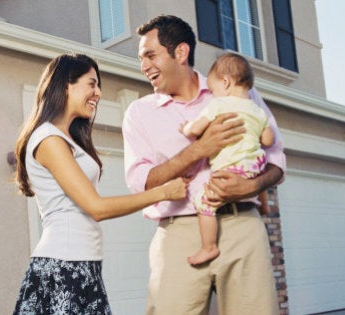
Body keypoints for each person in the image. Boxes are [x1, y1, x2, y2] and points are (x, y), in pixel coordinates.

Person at [122, 15, 286, 314]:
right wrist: (200, 149)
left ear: (181, 53)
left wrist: (251, 186)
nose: (144, 66)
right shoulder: (139, 112)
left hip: (242, 224)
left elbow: (275, 160)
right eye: (141, 58)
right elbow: (139, 182)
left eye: (150, 55)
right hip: (177, 232)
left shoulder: (236, 90)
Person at [12, 53, 188, 314]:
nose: (98, 93)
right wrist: (163, 192)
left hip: (83, 263)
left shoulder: (66, 137)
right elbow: (97, 207)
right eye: (91, 84)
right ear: (65, 85)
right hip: (64, 266)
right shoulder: (48, 139)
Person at [180, 52, 275, 266]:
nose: (212, 95)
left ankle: (209, 247)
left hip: (231, 170)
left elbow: (195, 129)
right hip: (254, 166)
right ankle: (264, 204)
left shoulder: (219, 105)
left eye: (213, 90)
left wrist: (185, 128)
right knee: (259, 172)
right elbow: (268, 140)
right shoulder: (258, 110)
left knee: (204, 202)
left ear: (226, 82)